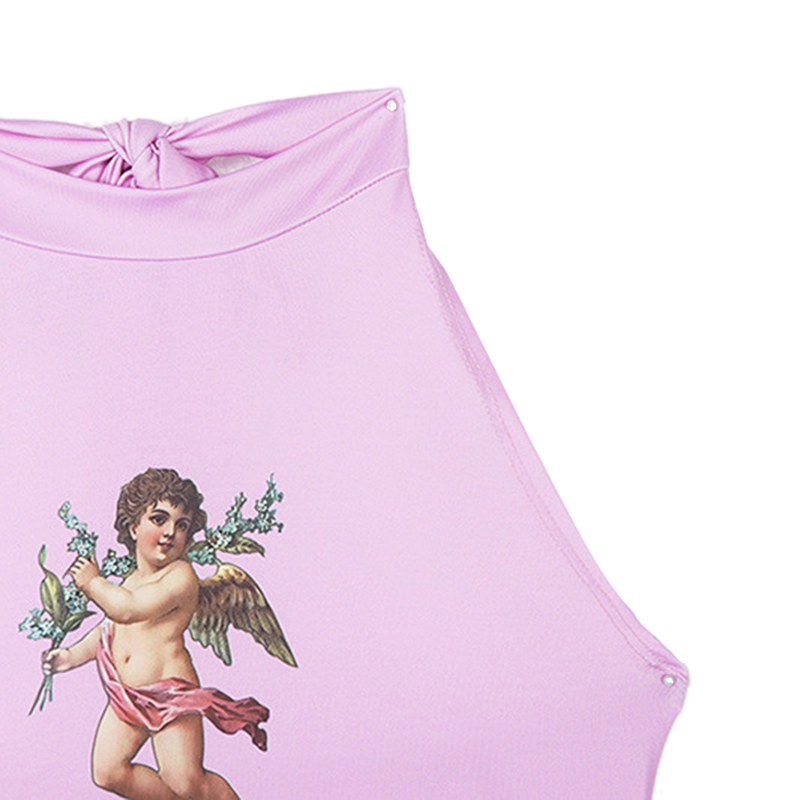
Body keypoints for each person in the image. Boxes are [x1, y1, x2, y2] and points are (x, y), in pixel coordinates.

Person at [42, 468, 268, 800]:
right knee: (107, 771)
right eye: (159, 519)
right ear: (133, 526)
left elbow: (128, 609)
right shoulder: (131, 580)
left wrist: (92, 582)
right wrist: (70, 656)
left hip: (170, 697)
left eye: (182, 525)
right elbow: (111, 629)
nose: (170, 532)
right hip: (127, 696)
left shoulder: (181, 576)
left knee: (187, 782)